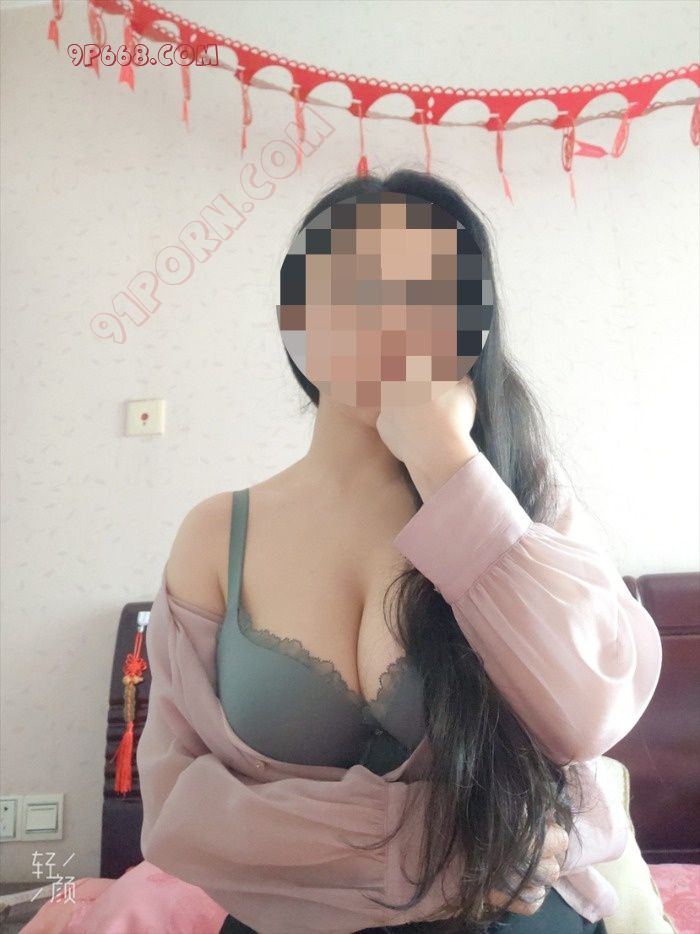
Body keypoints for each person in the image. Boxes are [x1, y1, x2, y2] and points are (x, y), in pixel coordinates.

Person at [22, 169, 661, 934]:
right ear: (295, 315)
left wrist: (447, 465)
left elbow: (588, 717)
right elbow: (179, 810)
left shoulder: (526, 496)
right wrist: (443, 849)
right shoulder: (216, 534)